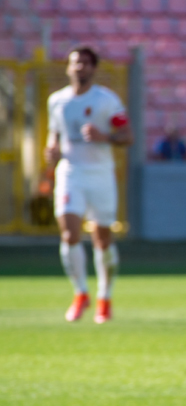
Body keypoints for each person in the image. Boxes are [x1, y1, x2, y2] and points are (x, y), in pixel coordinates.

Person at [45, 45, 132, 324]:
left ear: (94, 68)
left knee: (102, 239)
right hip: (71, 172)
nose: (79, 67)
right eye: (75, 63)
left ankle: (105, 297)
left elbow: (127, 136)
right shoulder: (57, 101)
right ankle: (81, 293)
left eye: (85, 63)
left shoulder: (106, 101)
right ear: (68, 67)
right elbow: (54, 134)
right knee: (69, 234)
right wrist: (51, 150)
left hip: (100, 174)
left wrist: (103, 136)